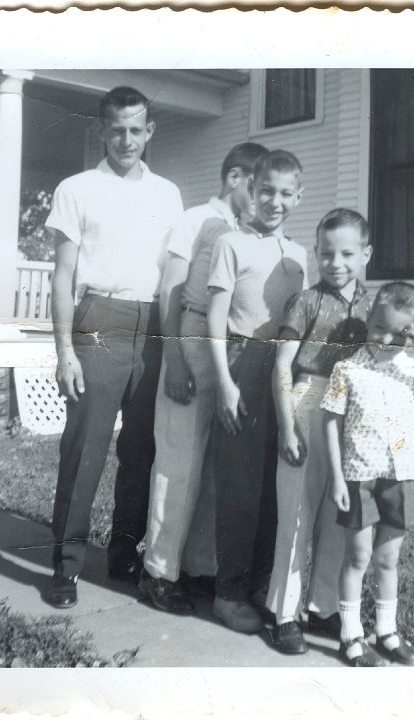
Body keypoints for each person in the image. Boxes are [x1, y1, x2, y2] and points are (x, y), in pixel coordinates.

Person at [44, 86, 183, 609]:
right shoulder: (77, 188)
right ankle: (67, 567)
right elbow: (61, 277)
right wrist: (64, 351)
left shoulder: (168, 194)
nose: (126, 140)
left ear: (150, 132)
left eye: (136, 129)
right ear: (102, 130)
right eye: (117, 129)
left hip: (152, 323)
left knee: (142, 449)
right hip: (98, 318)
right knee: (85, 451)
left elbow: (172, 275)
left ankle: (123, 555)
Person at [140, 142, 268, 615]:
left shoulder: (244, 231)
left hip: (229, 345)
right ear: (236, 178)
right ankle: (157, 571)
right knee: (179, 460)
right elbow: (170, 288)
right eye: (258, 186)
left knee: (214, 467)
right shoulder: (196, 218)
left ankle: (196, 569)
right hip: (191, 338)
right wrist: (173, 357)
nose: (264, 199)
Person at [321, 282, 414, 666]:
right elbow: (330, 423)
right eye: (378, 327)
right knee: (358, 556)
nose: (384, 338)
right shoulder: (347, 369)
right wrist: (336, 478)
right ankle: (350, 636)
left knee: (387, 560)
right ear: (368, 318)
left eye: (397, 333)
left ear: (413, 333)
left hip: (401, 475)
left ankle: (386, 632)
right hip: (360, 475)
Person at [207, 150, 308, 634]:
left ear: (298, 197)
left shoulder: (300, 256)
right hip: (243, 363)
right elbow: (213, 318)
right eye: (267, 190)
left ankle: (258, 587)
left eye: (286, 193)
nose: (275, 201)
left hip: (285, 368)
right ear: (252, 188)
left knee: (275, 486)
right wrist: (225, 384)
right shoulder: (231, 243)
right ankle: (227, 593)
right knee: (240, 486)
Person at [267, 208, 372, 654]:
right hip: (309, 398)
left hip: (356, 409)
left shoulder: (374, 305)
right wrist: (288, 425)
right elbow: (281, 365)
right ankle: (284, 613)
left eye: (347, 253)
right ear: (317, 253)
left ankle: (324, 607)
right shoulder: (306, 301)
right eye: (327, 253)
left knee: (337, 513)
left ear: (366, 253)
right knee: (296, 513)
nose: (336, 262)